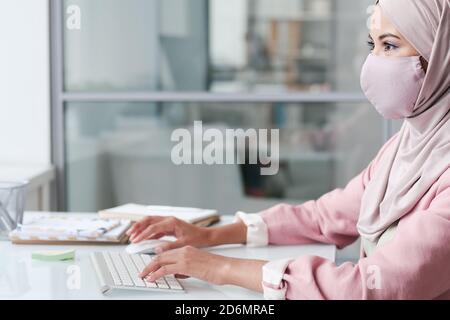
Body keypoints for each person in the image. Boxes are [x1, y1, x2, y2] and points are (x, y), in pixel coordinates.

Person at [127, 0, 450, 299]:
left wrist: (219, 268)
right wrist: (208, 236)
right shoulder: (406, 144)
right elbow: (324, 217)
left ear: (438, 54)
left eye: (390, 45)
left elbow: (367, 287)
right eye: (373, 45)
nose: (373, 63)